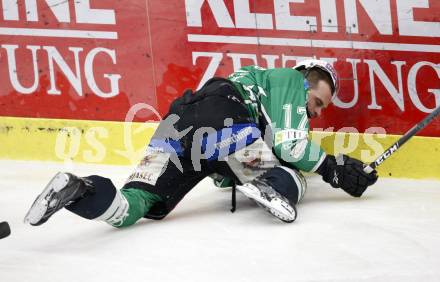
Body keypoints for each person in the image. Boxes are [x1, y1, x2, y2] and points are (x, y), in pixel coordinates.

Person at [24, 60, 378, 227]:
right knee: (292, 178)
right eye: (317, 103)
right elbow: (292, 146)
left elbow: (223, 174)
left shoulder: (262, 105)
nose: (315, 113)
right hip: (223, 117)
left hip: (177, 123)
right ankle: (267, 182)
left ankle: (80, 190)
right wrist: (333, 170)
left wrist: (237, 174)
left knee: (138, 206)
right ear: (305, 81)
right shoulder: (288, 79)